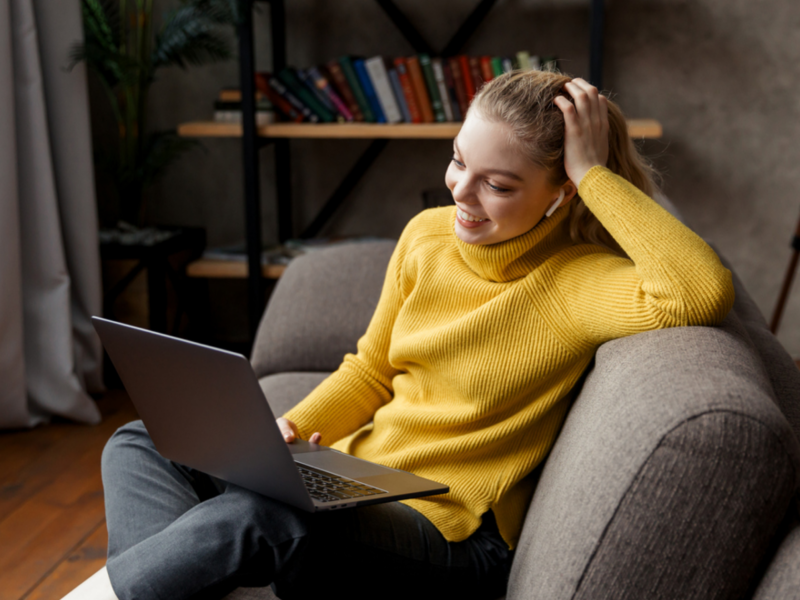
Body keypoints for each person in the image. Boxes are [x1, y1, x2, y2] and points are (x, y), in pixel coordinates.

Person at [64, 71, 735, 600]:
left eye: (498, 185)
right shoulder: (426, 237)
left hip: (449, 537)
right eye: (457, 161)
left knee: (258, 521)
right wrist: (288, 431)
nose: (461, 195)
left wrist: (596, 173)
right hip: (357, 482)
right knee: (145, 438)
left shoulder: (576, 283)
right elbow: (370, 370)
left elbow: (698, 289)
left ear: (560, 194)